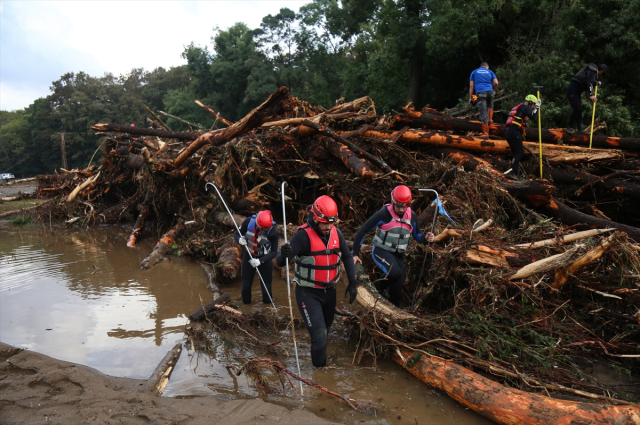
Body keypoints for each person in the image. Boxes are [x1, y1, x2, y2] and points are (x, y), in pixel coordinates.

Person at [276, 195, 357, 367]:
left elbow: (348, 256)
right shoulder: (303, 236)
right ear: (315, 218)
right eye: (325, 223)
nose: (328, 227)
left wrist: (353, 283)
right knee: (319, 337)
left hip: (330, 292)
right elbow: (280, 263)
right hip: (308, 292)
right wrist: (283, 254)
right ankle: (319, 380)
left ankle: (318, 363)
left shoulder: (336, 233)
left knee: (325, 333)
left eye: (331, 223)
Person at [351, 185, 435, 307]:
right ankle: (377, 288)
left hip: (398, 255)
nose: (401, 209)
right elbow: (362, 230)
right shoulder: (384, 214)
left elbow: (418, 236)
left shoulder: (412, 216)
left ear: (409, 204)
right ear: (393, 201)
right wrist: (355, 253)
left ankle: (388, 312)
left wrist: (426, 239)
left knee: (396, 295)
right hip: (381, 251)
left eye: (404, 206)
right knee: (394, 273)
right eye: (398, 206)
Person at [235, 210, 279, 304]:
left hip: (264, 260)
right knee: (245, 288)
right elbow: (236, 234)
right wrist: (239, 239)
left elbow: (274, 252)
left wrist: (260, 261)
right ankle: (246, 310)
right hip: (249, 257)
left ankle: (268, 312)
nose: (265, 231)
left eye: (266, 229)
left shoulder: (274, 231)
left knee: (266, 291)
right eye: (263, 229)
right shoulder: (248, 222)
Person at [504, 95, 541, 180]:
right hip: (514, 131)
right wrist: (537, 107)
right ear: (530, 102)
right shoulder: (524, 106)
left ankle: (511, 172)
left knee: (516, 153)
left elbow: (522, 119)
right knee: (519, 152)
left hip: (508, 131)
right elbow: (533, 116)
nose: (532, 107)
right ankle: (513, 173)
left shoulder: (519, 107)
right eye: (532, 105)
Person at [566, 63, 607, 134]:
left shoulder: (591, 71)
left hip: (577, 92)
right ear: (601, 70)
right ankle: (570, 127)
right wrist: (591, 95)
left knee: (579, 110)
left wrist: (596, 82)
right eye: (602, 73)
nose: (600, 75)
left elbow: (588, 81)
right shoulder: (593, 70)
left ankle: (580, 129)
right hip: (572, 90)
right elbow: (589, 82)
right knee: (577, 109)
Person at [469, 62, 499, 139]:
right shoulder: (490, 71)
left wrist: (471, 98)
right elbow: (496, 82)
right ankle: (490, 120)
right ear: (486, 66)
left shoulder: (474, 72)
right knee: (490, 104)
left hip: (481, 92)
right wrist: (492, 88)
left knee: (483, 112)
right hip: (490, 91)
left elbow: (471, 86)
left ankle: (485, 133)